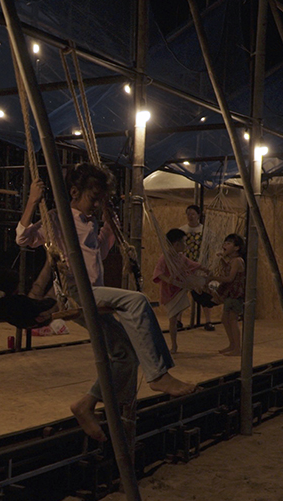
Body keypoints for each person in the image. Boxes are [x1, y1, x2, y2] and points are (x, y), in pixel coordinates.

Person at [16, 163, 197, 442]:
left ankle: (86, 405)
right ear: (75, 192)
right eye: (93, 197)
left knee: (125, 352)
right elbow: (23, 238)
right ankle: (159, 375)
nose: (96, 204)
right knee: (137, 301)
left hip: (93, 293)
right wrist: (32, 200)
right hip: (77, 292)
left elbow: (98, 252)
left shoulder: (91, 222)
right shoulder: (57, 217)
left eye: (101, 199)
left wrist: (109, 223)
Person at [152, 228, 209, 354]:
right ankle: (174, 345)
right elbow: (158, 273)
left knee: (197, 281)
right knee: (172, 319)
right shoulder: (164, 258)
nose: (185, 245)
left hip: (180, 287)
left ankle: (174, 345)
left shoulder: (181, 257)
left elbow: (192, 264)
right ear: (177, 244)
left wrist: (205, 269)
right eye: (184, 242)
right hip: (169, 291)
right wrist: (169, 280)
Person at [178, 205, 215, 331]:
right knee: (182, 292)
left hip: (200, 266)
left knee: (203, 292)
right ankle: (179, 320)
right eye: (188, 213)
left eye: (193, 213)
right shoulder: (182, 230)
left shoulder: (205, 231)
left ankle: (208, 321)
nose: (190, 216)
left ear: (198, 215)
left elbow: (211, 247)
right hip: (185, 267)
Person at [210, 233, 246, 356]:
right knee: (225, 319)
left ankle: (237, 348)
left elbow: (230, 278)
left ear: (237, 248)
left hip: (236, 294)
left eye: (229, 243)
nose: (225, 245)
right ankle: (232, 344)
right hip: (230, 294)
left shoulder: (237, 261)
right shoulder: (231, 260)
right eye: (225, 243)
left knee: (232, 319)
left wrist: (213, 277)